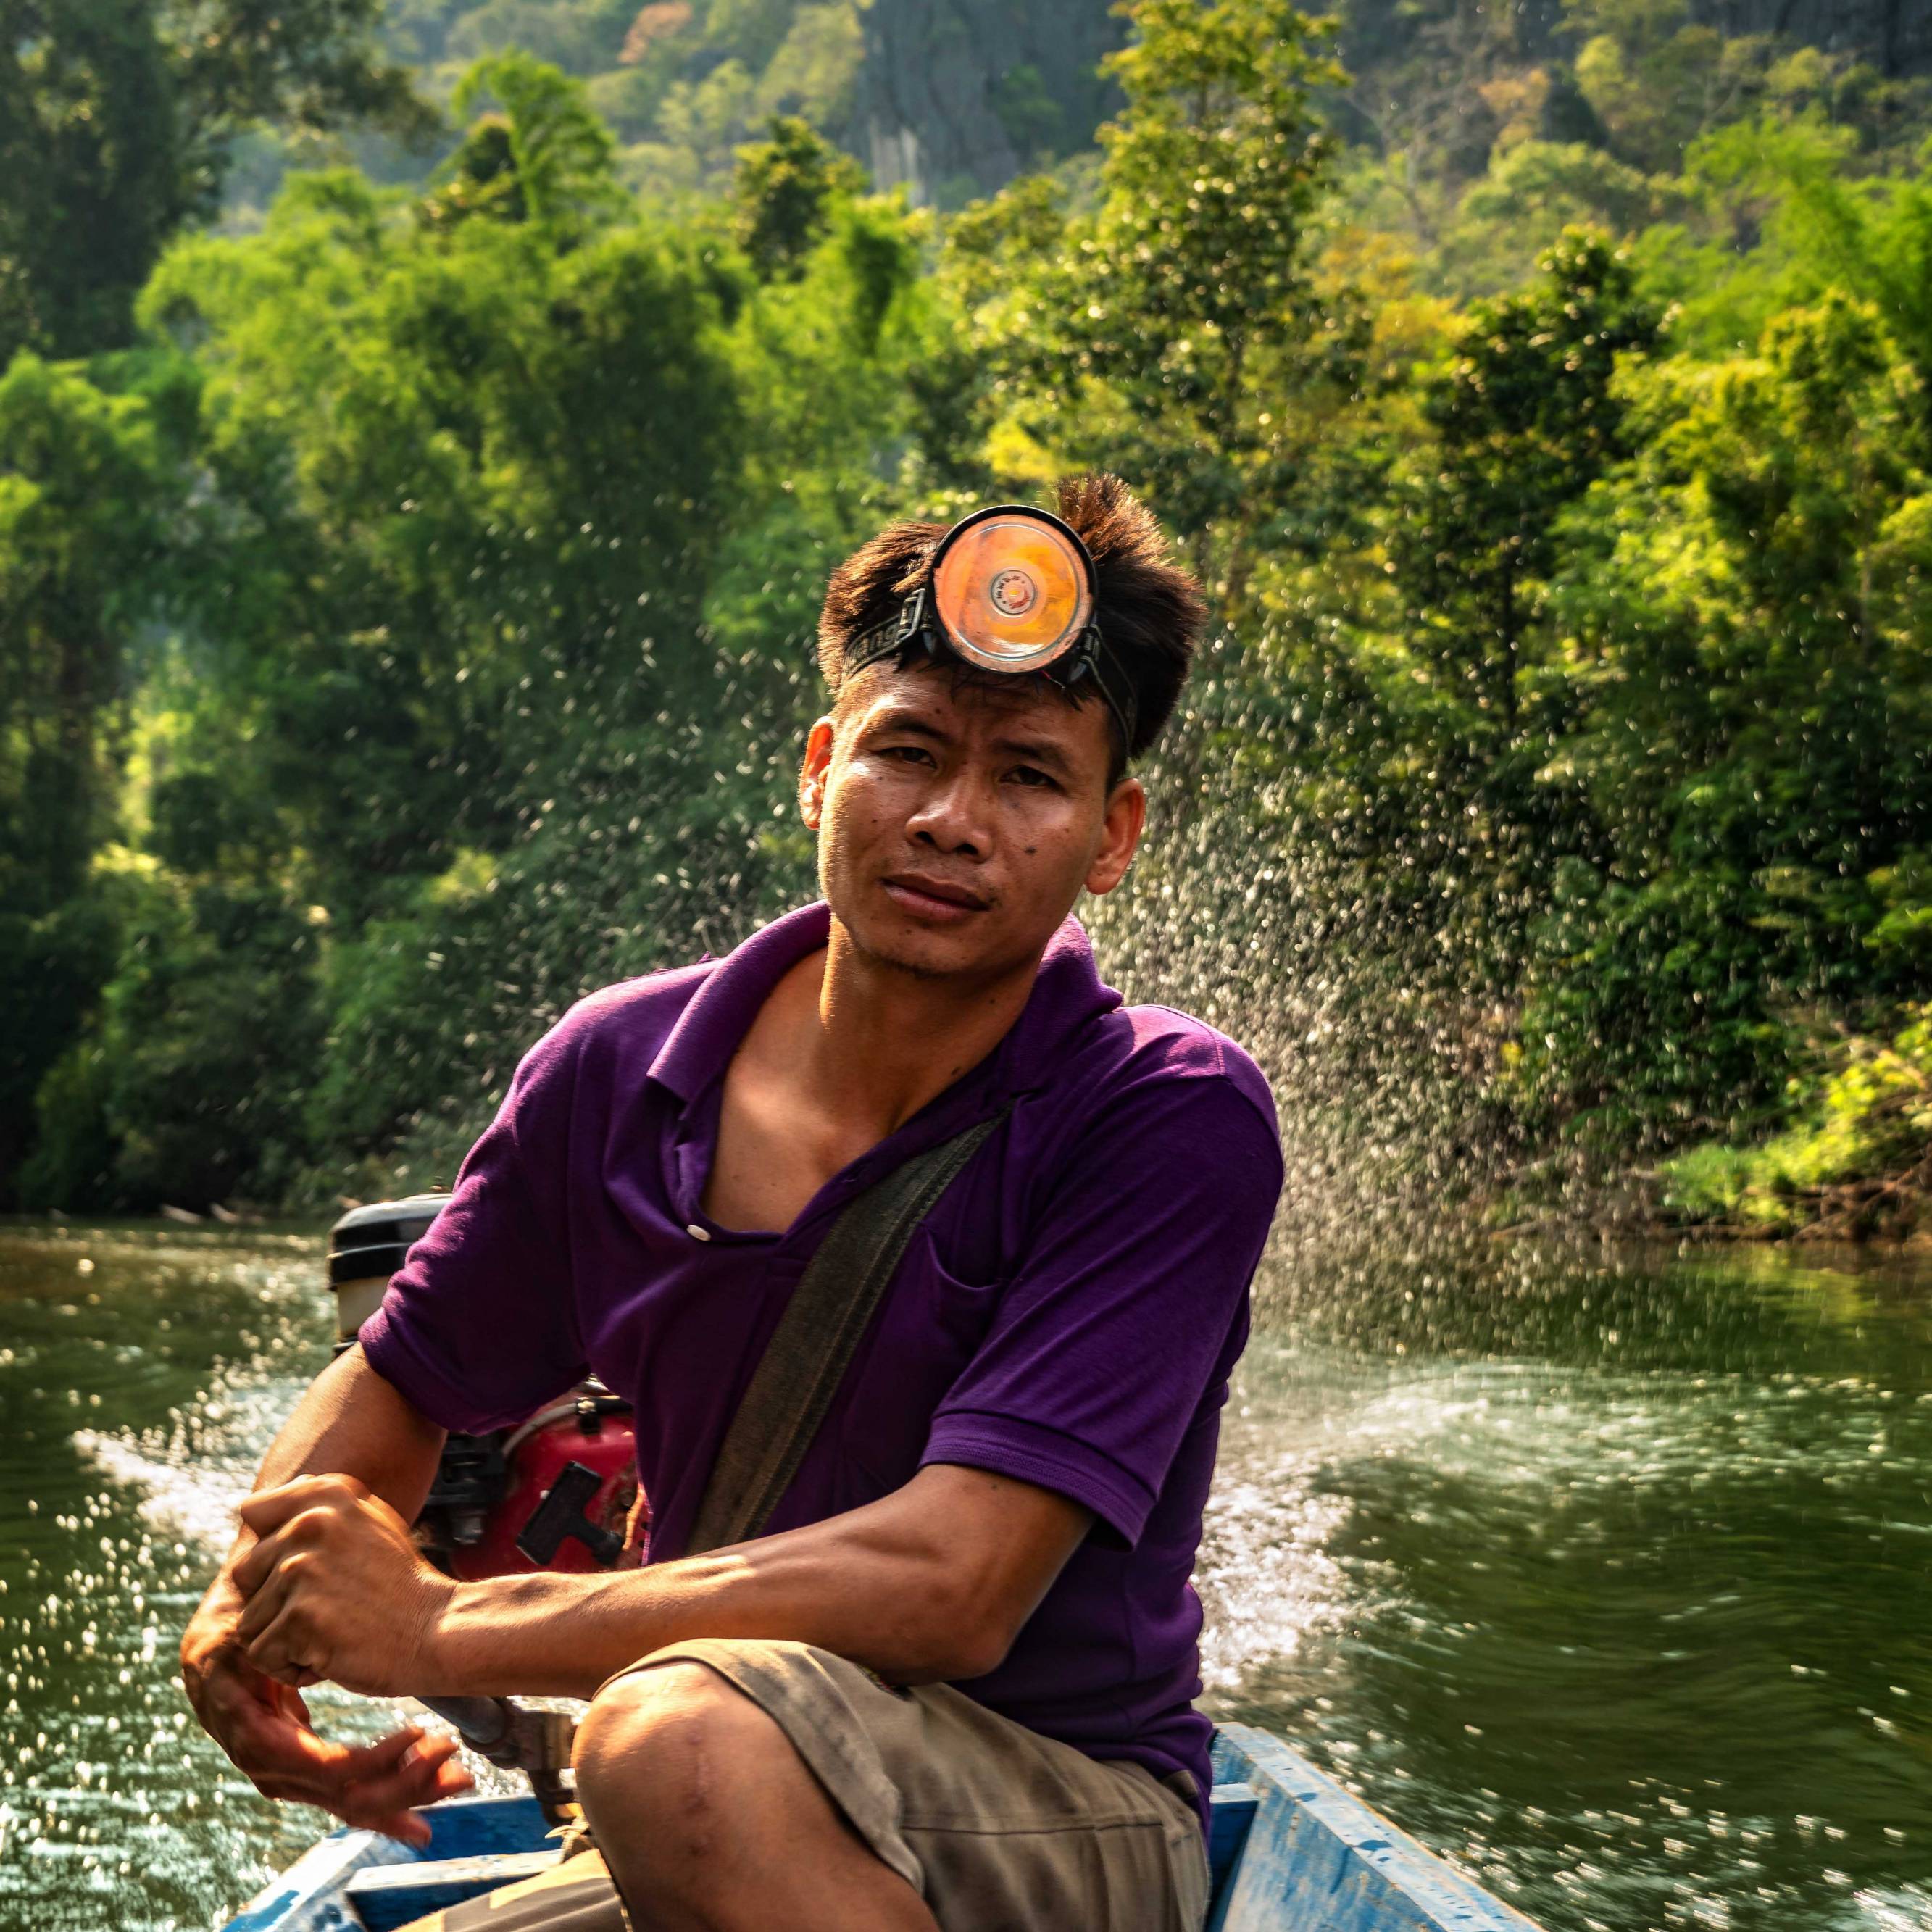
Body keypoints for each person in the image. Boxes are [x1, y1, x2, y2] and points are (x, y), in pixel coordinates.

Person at [181, 472, 1285, 1932]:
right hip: (716, 1807)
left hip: (1049, 1806)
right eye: (908, 750)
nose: (955, 819)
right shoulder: (618, 1070)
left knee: (672, 1737)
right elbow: (398, 1376)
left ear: (1112, 833)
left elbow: (954, 1584)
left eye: (1027, 775)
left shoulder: (1159, 1108)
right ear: (822, 767)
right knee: (683, 1749)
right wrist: (246, 1607)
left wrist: (444, 1621)